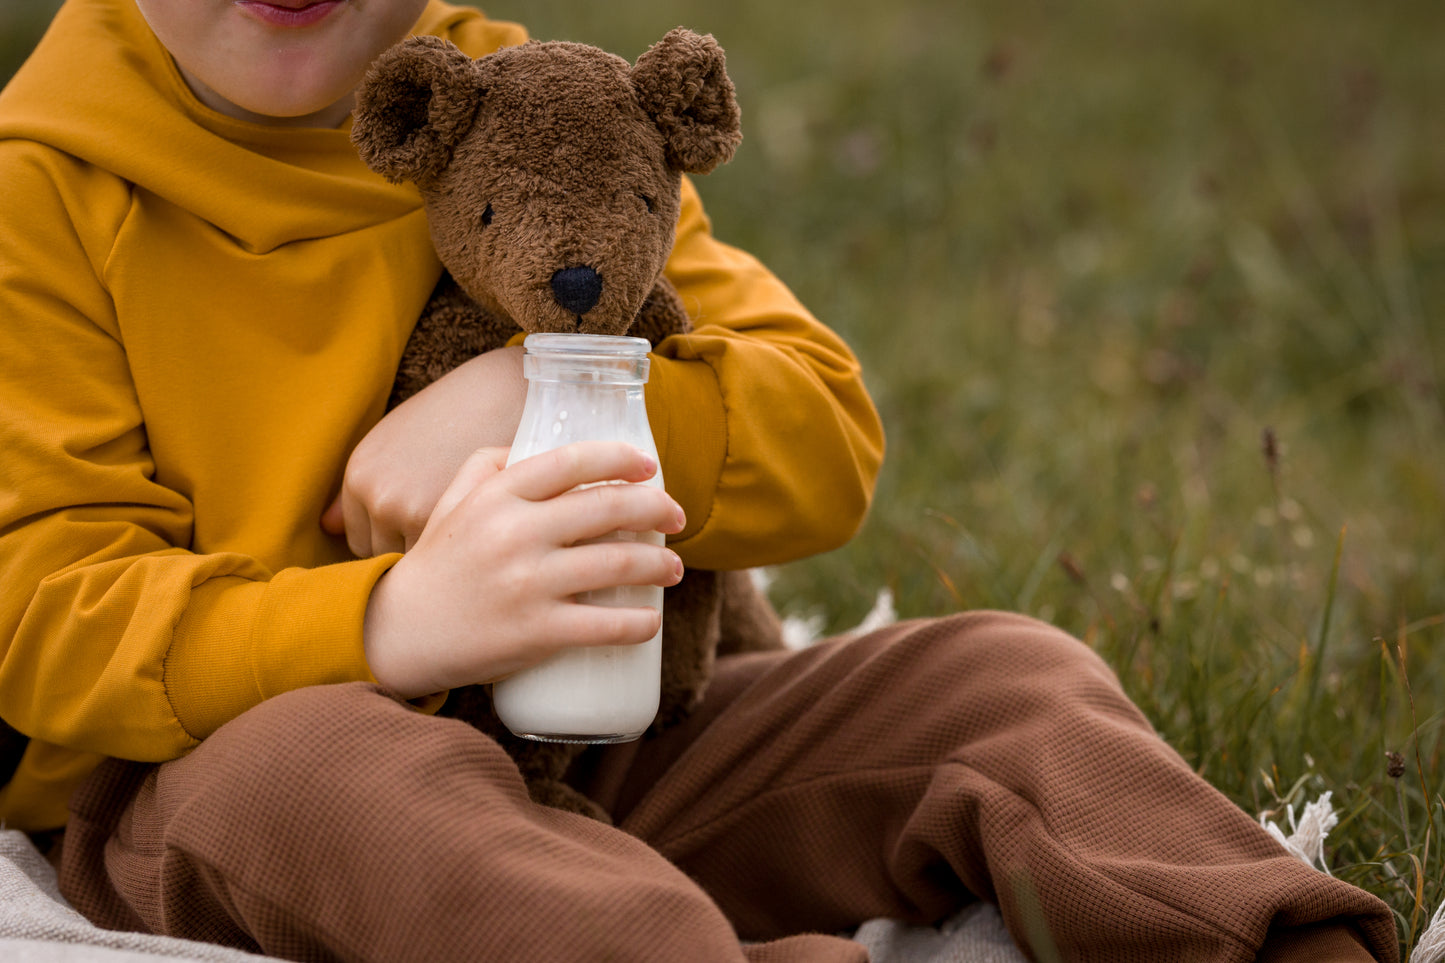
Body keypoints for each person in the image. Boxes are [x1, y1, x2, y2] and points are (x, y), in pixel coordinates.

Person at [0, 1, 1398, 961]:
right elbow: (45, 612)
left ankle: (1282, 942)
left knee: (1000, 679)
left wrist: (532, 387)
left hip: (618, 737)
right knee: (350, 769)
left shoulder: (535, 104)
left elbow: (819, 424)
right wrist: (385, 626)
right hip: (222, 784)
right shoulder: (45, 190)